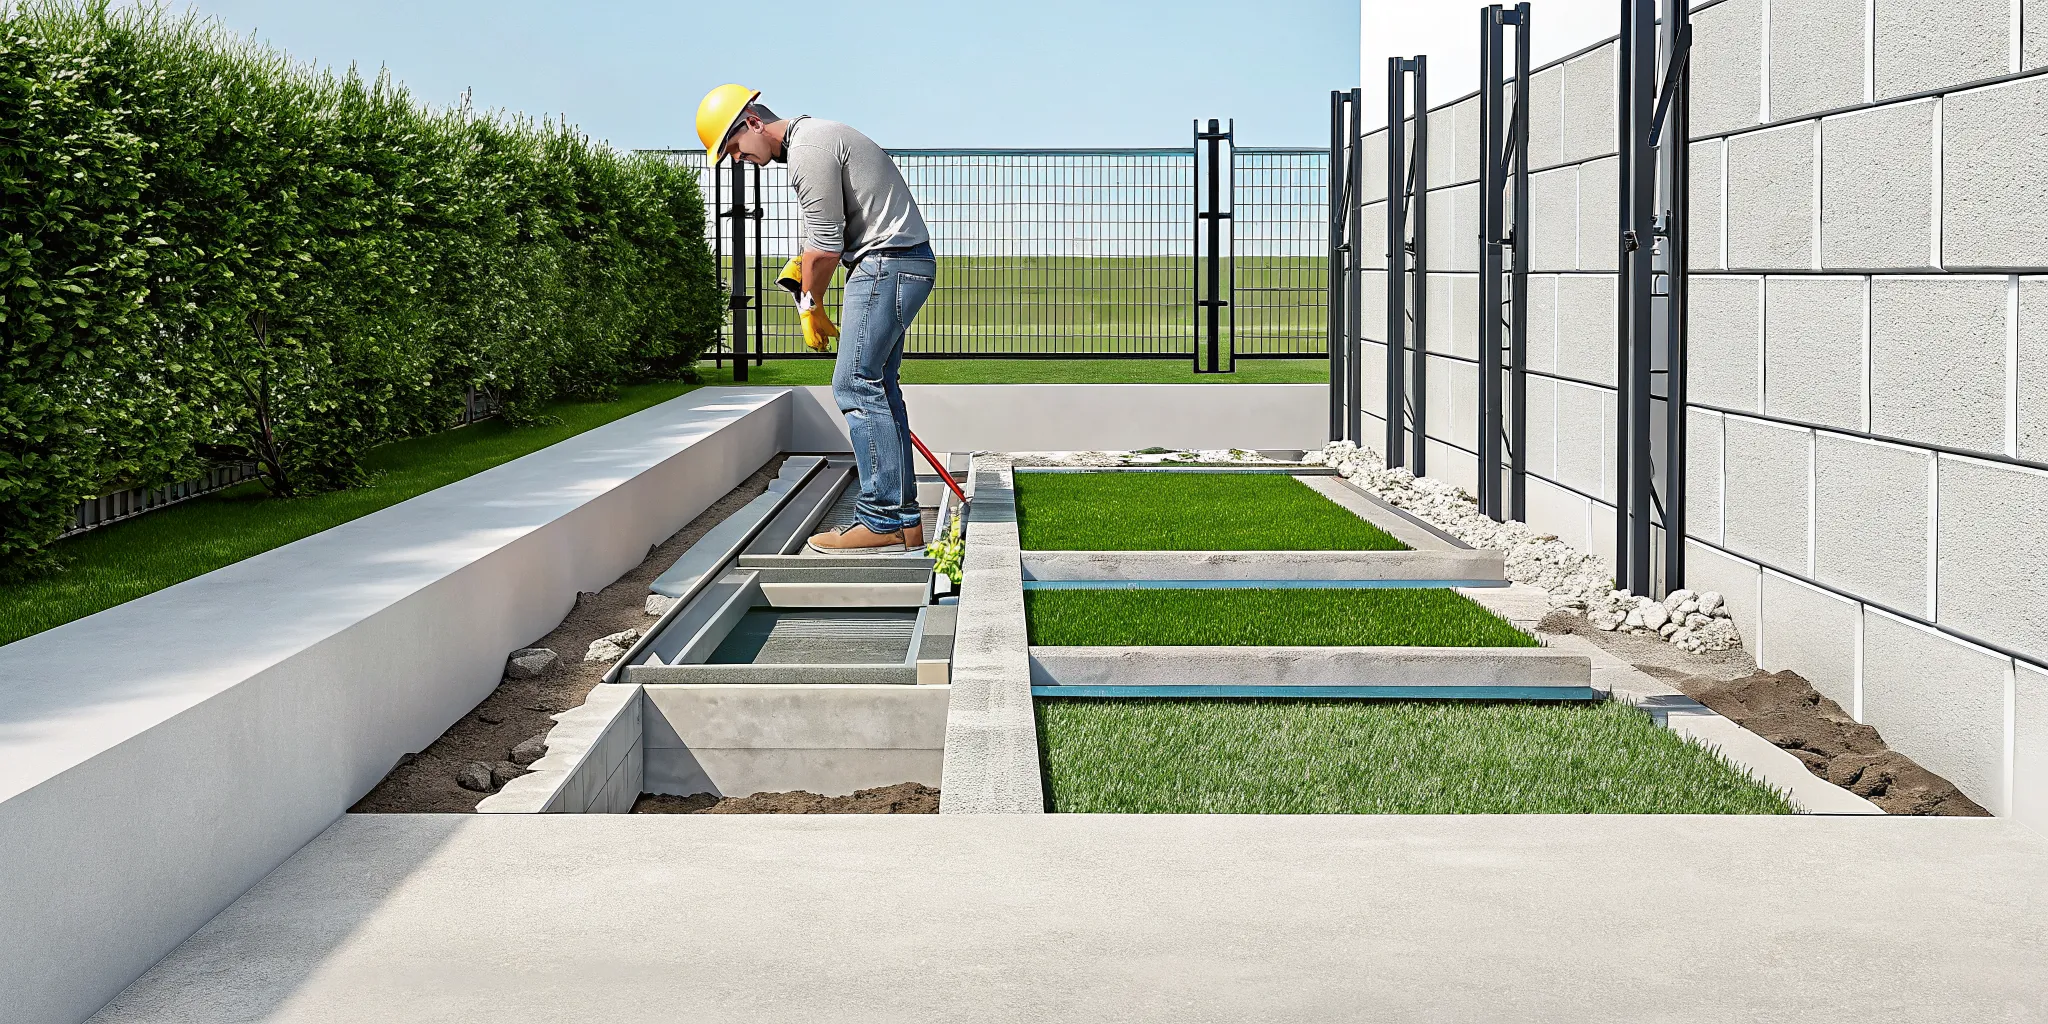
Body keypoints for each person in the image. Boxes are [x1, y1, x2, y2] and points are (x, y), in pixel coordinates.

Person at [696, 84, 934, 554]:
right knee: (879, 386)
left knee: (854, 384)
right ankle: (904, 521)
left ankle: (881, 521)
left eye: (735, 150)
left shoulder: (809, 150)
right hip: (898, 262)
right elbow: (825, 234)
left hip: (886, 264)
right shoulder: (817, 140)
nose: (739, 161)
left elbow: (825, 245)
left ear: (752, 123)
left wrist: (812, 302)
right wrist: (805, 280)